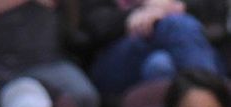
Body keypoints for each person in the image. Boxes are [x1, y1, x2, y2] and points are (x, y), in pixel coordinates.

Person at [82, 0, 223, 97]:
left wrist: (178, 7)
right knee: (176, 25)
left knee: (160, 65)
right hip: (116, 60)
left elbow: (216, 11)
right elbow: (97, 26)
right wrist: (143, 12)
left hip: (180, 50)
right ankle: (213, 103)